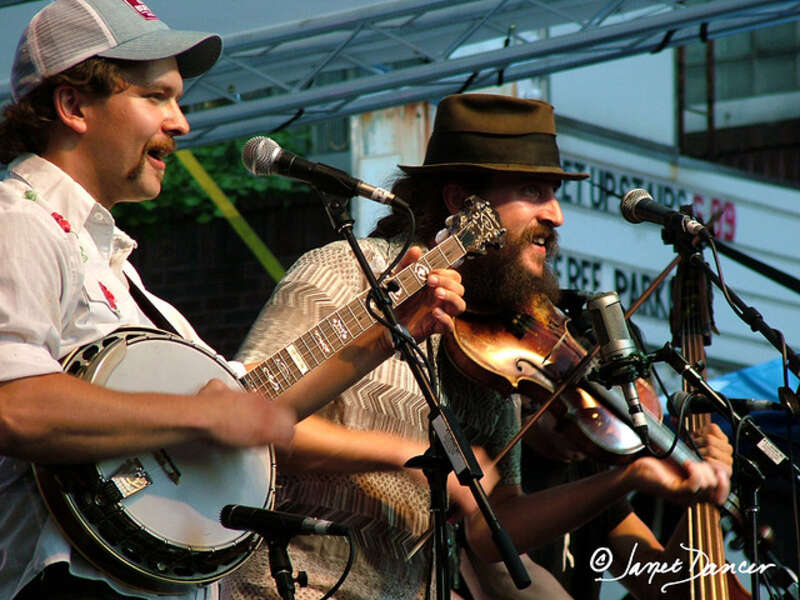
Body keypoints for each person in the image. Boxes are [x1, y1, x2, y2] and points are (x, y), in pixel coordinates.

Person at [0, 2, 465, 599]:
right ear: (73, 107)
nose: (181, 122)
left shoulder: (116, 267)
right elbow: (15, 403)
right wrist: (200, 415)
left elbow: (250, 405)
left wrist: (387, 330)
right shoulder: (20, 223)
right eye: (156, 97)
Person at [224, 93, 732, 600]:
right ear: (461, 203)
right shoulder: (343, 272)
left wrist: (626, 479)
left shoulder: (496, 343)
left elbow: (492, 531)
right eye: (533, 191)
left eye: (554, 192)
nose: (556, 215)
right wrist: (408, 455)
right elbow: (244, 421)